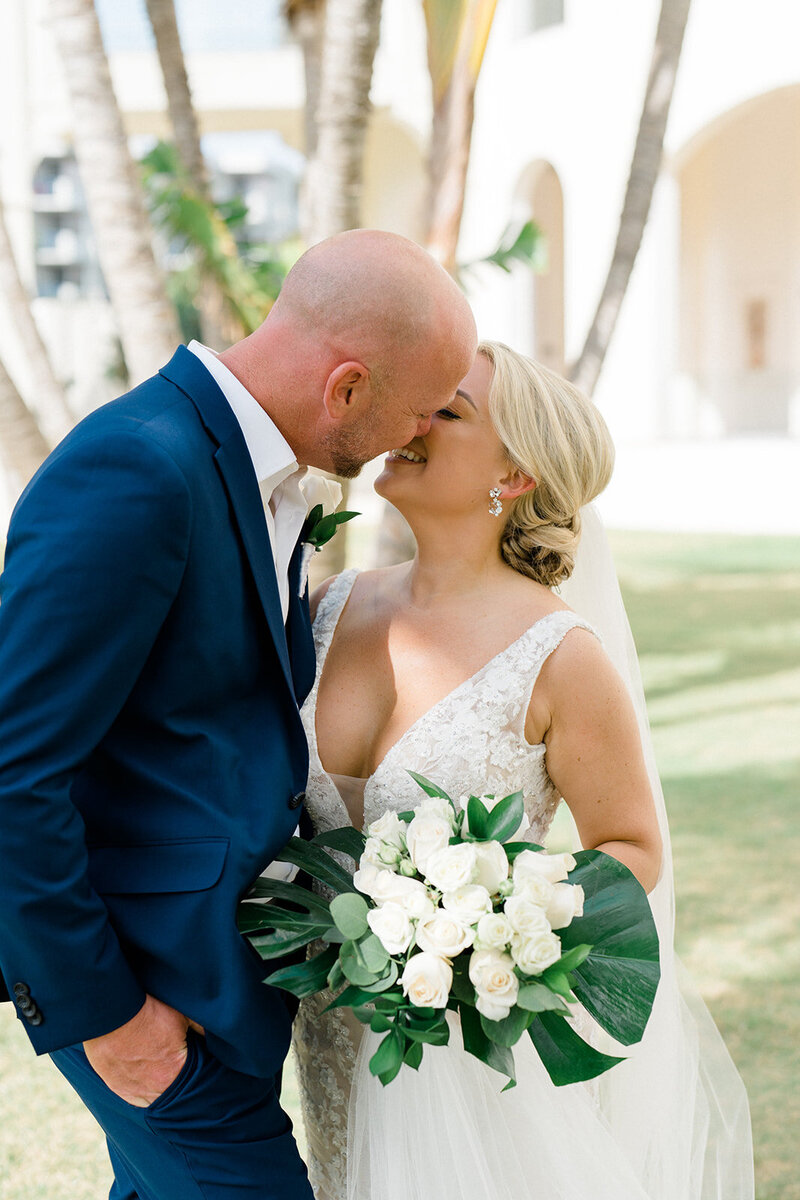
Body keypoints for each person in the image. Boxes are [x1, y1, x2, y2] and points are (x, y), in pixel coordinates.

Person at [0, 229, 477, 1200]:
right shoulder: (139, 469)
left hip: (220, 981)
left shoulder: (254, 468)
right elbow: (11, 768)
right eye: (412, 413)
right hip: (147, 993)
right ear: (344, 387)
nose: (413, 437)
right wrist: (111, 1019)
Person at [293, 342, 754, 1200]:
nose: (411, 417)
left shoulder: (560, 656)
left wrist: (486, 926)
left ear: (513, 475)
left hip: (469, 1050)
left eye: (448, 409)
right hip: (325, 1030)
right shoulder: (330, 607)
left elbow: (631, 844)